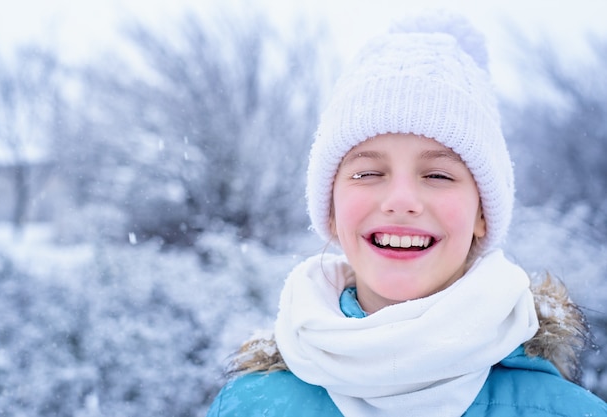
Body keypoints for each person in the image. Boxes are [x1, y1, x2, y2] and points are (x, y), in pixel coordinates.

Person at [206, 10, 607, 417]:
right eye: (368, 172)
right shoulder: (249, 405)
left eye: (437, 174)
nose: (401, 199)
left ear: (482, 212)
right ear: (329, 208)